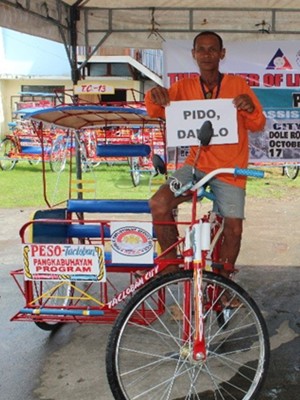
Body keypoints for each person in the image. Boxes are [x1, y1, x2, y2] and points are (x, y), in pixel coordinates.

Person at [145, 31, 266, 277]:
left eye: (213, 49)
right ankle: (171, 266)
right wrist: (153, 94)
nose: (207, 54)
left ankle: (223, 283)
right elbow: (155, 109)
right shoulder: (184, 87)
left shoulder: (237, 85)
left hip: (229, 170)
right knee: (159, 203)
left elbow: (258, 124)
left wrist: (250, 107)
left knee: (234, 228)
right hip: (196, 165)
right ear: (194, 55)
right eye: (201, 49)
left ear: (222, 54)